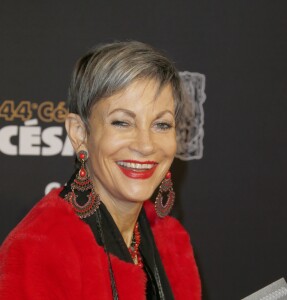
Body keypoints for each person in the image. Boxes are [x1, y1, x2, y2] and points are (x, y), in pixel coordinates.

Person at [0, 41, 201, 299]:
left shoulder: (171, 242)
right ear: (80, 133)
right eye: (122, 122)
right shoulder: (39, 248)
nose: (146, 145)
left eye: (162, 125)